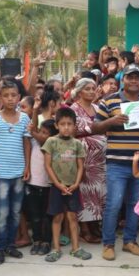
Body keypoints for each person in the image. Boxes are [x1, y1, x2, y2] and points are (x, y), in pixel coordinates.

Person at [92, 63, 139, 261]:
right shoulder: (109, 101)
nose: (133, 81)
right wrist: (111, 122)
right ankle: (108, 243)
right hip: (117, 163)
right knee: (114, 204)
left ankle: (130, 241)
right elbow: (95, 127)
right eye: (130, 77)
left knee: (135, 204)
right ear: (123, 79)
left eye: (137, 77)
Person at [0, 79, 32, 265]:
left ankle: (11, 244)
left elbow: (26, 143)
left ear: (19, 97)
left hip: (19, 173)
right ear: (0, 98)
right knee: (1, 213)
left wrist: (27, 167)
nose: (10, 99)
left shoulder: (25, 118)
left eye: (13, 95)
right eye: (6, 96)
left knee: (15, 212)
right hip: (1, 174)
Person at [42, 107, 91, 262]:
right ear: (56, 125)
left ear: (74, 126)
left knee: (72, 217)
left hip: (73, 187)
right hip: (57, 187)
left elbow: (80, 165)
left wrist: (76, 183)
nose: (66, 127)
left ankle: (76, 248)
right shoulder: (51, 142)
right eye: (62, 124)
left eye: (69, 124)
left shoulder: (77, 143)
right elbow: (48, 166)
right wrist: (58, 184)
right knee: (57, 218)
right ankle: (56, 248)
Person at [70, 78, 106, 243]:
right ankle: (84, 229)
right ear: (79, 91)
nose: (91, 91)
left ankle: (94, 226)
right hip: (83, 158)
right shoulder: (74, 109)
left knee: (98, 193)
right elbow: (71, 131)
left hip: (100, 160)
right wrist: (92, 128)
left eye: (93, 88)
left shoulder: (98, 108)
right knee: (84, 194)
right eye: (87, 89)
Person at [26, 106, 56, 256]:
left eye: (46, 133)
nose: (41, 135)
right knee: (35, 215)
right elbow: (34, 127)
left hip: (48, 185)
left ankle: (46, 241)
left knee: (47, 216)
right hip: (33, 183)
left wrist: (34, 131)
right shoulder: (34, 142)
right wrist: (35, 111)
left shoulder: (52, 145)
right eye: (41, 131)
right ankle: (36, 240)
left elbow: (41, 137)